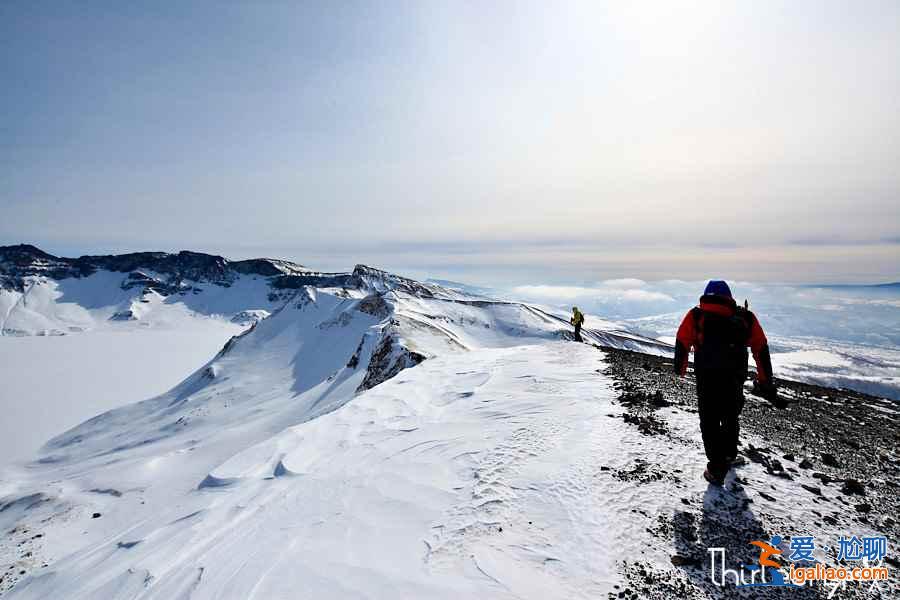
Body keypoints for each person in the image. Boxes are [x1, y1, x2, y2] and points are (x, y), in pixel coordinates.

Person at [674, 280, 775, 485]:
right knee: (730, 417)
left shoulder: (696, 316)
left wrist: (680, 369)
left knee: (709, 420)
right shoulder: (744, 317)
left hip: (707, 378)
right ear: (729, 297)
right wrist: (765, 380)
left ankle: (716, 468)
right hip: (734, 378)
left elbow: (682, 339)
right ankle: (728, 456)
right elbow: (761, 347)